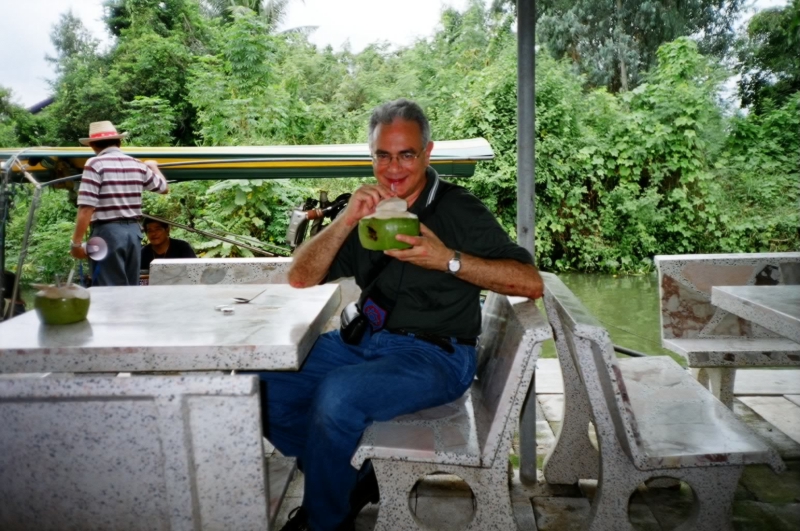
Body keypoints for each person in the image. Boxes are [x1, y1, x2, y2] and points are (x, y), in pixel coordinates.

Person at [259, 99, 544, 531]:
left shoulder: (457, 210)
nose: (394, 168)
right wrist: (345, 220)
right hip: (363, 342)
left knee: (336, 398)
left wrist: (447, 259)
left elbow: (529, 281)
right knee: (260, 383)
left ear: (427, 153)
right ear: (372, 156)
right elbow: (300, 277)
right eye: (383, 155)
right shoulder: (368, 212)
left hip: (436, 355)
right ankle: (350, 473)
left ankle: (325, 520)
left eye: (407, 154)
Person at [69, 121, 169, 286]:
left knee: (107, 287)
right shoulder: (137, 164)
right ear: (119, 142)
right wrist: (153, 166)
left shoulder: (94, 164)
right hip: (134, 233)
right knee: (129, 286)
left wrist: (76, 244)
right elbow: (163, 188)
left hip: (106, 233)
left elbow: (86, 207)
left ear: (93, 145)